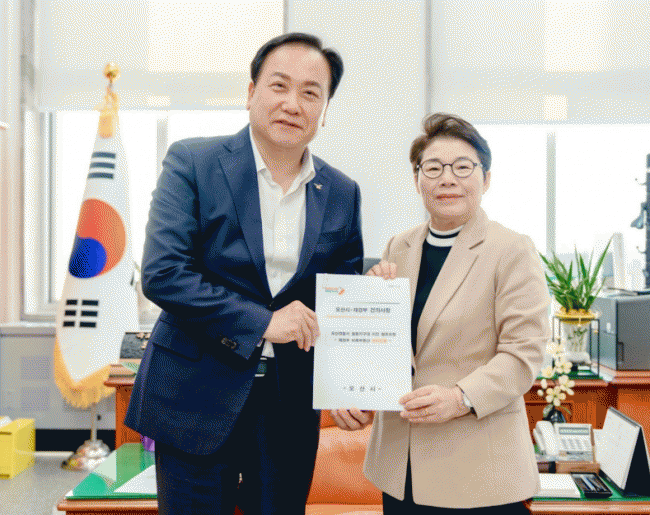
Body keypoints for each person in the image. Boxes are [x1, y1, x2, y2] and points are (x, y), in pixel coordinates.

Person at [124, 33, 363, 515]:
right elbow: (164, 273)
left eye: (311, 93)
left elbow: (340, 296)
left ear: (324, 110)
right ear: (251, 92)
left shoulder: (341, 191)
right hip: (194, 395)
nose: (292, 103)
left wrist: (349, 384)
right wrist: (263, 322)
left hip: (288, 406)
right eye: (279, 85)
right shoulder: (193, 162)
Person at [331, 113, 550, 514]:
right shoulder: (399, 246)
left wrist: (460, 397)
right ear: (417, 180)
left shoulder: (511, 249)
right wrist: (355, 395)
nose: (447, 179)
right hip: (400, 467)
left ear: (486, 178)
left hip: (477, 468)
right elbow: (390, 349)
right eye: (432, 168)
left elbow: (524, 355)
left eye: (462, 167)